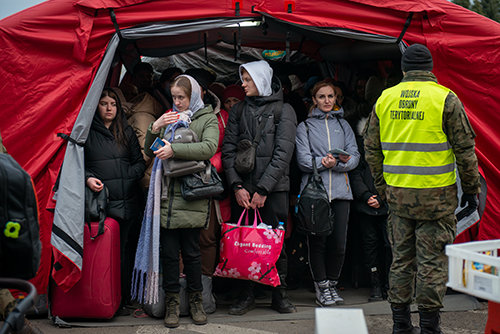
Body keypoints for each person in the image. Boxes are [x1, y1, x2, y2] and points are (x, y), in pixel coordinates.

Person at [364, 44, 481, 334]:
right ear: (430, 68)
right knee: (432, 262)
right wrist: (471, 190)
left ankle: (400, 326)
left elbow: (371, 149)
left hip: (398, 197)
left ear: (403, 69)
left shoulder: (385, 99)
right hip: (437, 198)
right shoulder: (445, 99)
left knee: (401, 260)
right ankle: (430, 328)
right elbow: (466, 152)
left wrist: (383, 187)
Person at [221, 60, 297, 315]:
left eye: (247, 79)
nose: (242, 84)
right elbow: (228, 151)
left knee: (275, 242)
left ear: (261, 79)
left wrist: (263, 189)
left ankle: (279, 293)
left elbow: (283, 153)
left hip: (273, 191)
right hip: (243, 189)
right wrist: (237, 186)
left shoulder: (284, 110)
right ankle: (246, 294)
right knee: (245, 242)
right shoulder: (239, 110)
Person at [143, 75, 219, 328]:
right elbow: (149, 150)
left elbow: (209, 148)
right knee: (168, 255)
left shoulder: (207, 118)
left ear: (194, 96)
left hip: (191, 195)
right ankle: (172, 303)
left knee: (192, 253)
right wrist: (155, 126)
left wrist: (174, 150)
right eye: (174, 97)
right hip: (166, 196)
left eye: (181, 98)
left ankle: (196, 300)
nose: (177, 102)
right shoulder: (169, 117)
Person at [295, 81, 360, 307]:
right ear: (314, 100)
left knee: (339, 244)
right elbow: (303, 160)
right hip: (316, 193)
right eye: (321, 97)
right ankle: (321, 287)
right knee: (318, 243)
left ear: (335, 99)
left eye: (330, 96)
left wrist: (337, 166)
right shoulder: (304, 127)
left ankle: (332, 284)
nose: (326, 101)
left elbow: (355, 156)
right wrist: (324, 163)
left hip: (341, 192)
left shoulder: (344, 126)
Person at [84, 88, 146, 315]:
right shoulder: (87, 132)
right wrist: (88, 178)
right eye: (103, 103)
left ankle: (126, 297)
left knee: (127, 253)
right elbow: (76, 164)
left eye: (113, 104)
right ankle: (108, 299)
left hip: (128, 201)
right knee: (106, 255)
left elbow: (139, 163)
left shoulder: (126, 131)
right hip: (101, 203)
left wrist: (129, 176)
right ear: (95, 107)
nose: (109, 108)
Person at [348, 76, 392, 302]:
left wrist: (383, 196)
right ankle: (375, 284)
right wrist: (366, 195)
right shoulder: (360, 139)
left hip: (388, 202)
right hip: (366, 202)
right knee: (370, 245)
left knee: (389, 244)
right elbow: (355, 170)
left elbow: (396, 169)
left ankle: (389, 284)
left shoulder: (394, 139)